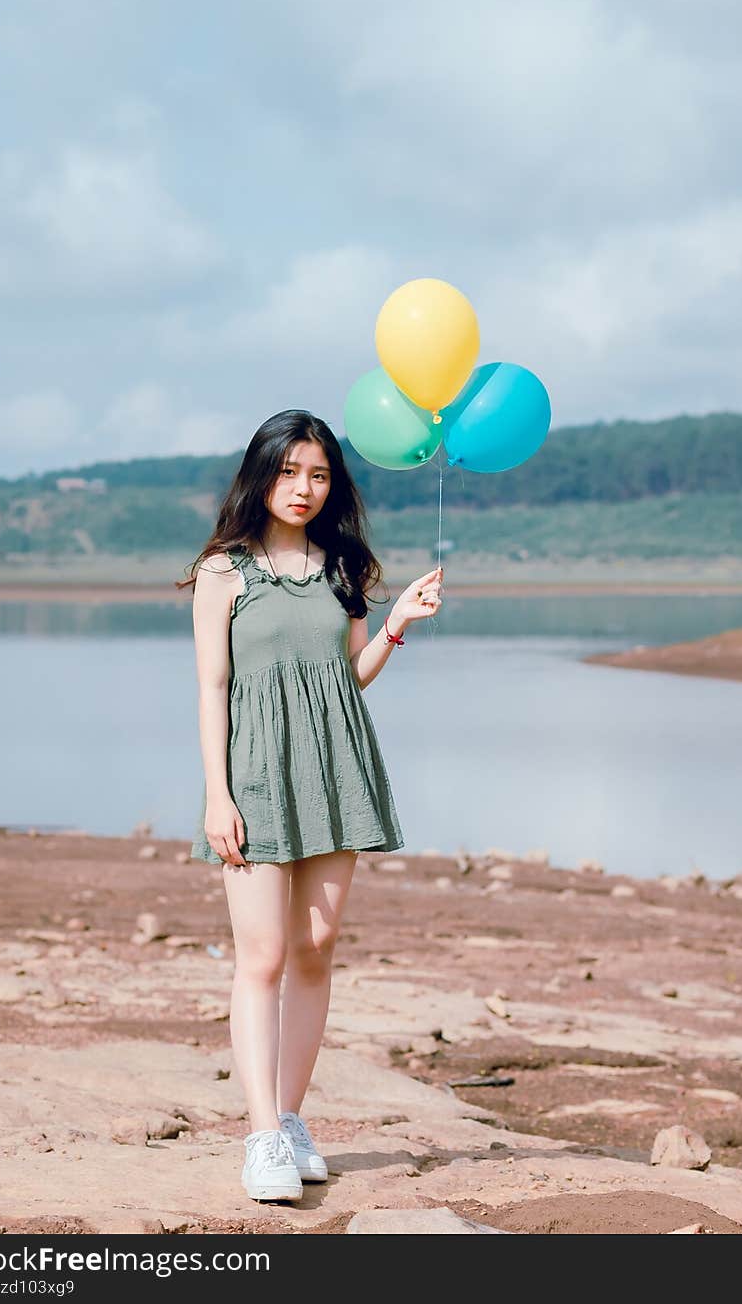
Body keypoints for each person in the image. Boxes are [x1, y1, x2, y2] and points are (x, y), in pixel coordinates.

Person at [177, 409, 443, 1203]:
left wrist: (393, 627)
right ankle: (261, 1139)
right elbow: (212, 688)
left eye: (319, 474)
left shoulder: (342, 564)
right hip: (254, 774)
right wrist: (218, 795)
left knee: (317, 946)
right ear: (263, 476)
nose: (304, 488)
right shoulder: (223, 571)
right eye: (291, 471)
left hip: (335, 768)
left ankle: (290, 1118)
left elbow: (345, 678)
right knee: (260, 957)